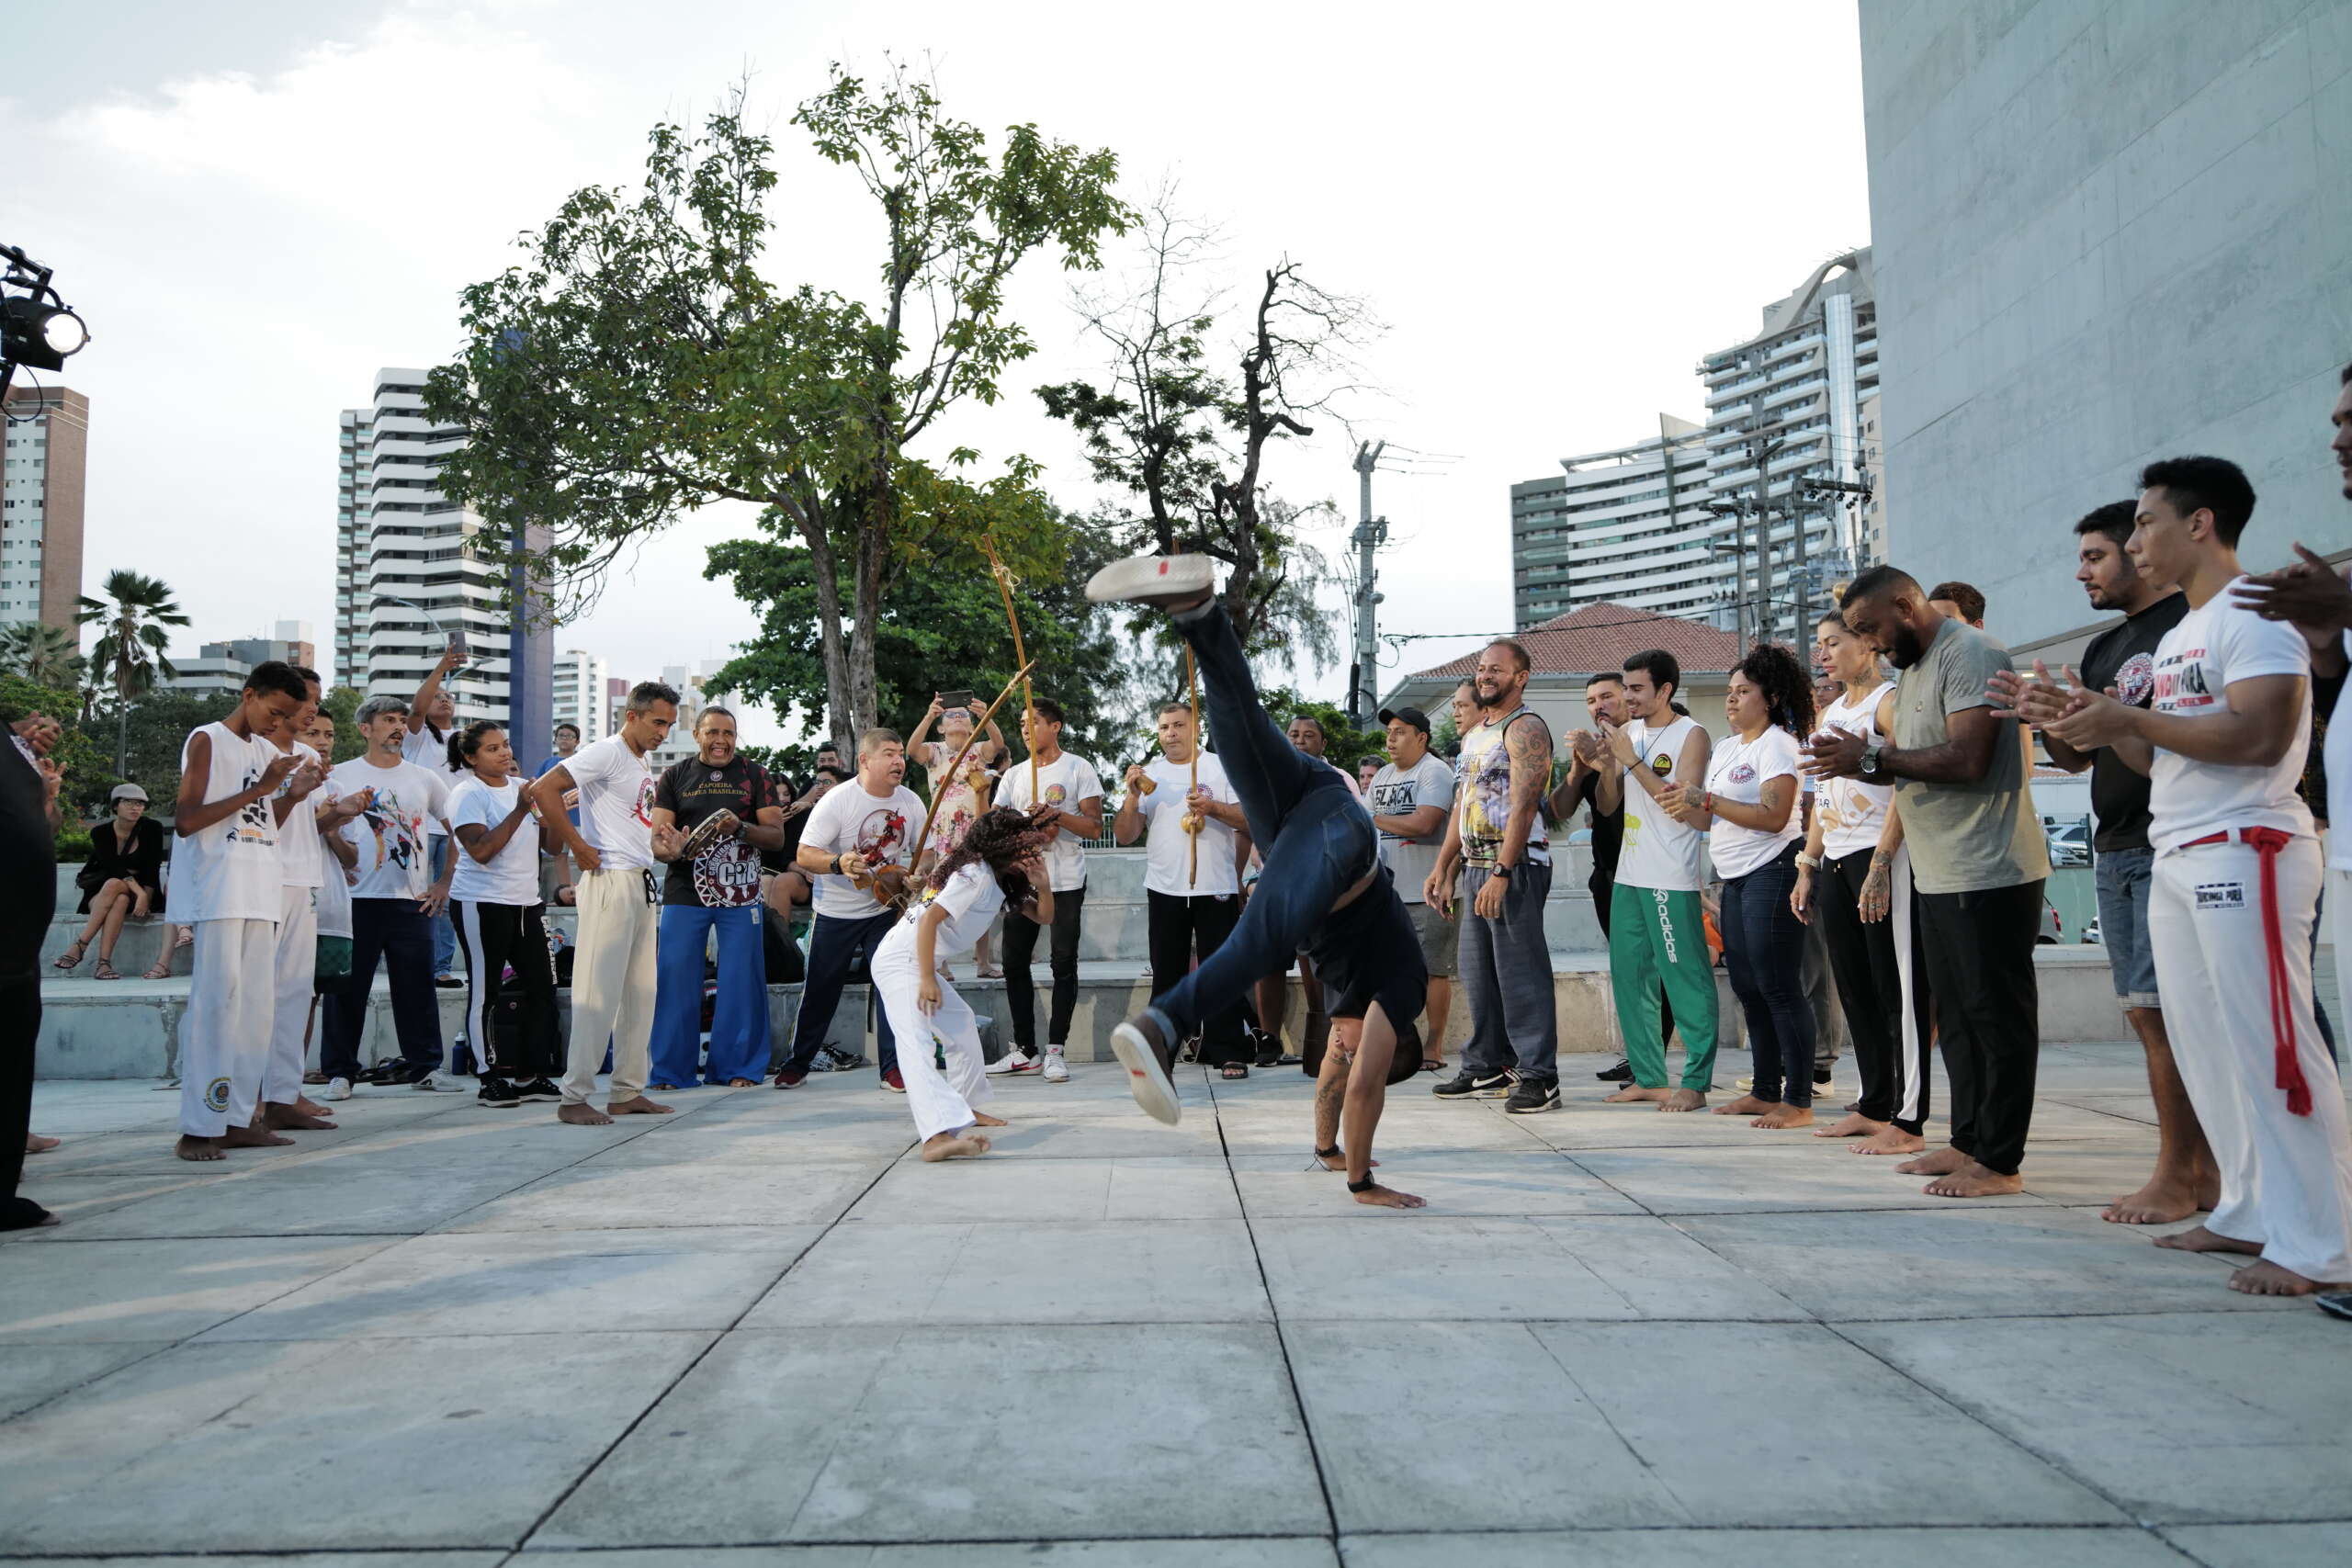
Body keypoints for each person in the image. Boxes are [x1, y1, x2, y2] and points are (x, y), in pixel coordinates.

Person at [2027, 456, 2350, 1297]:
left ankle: (2322, 1241)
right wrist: (2087, 723)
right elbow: (2146, 746)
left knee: (2276, 1047)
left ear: (2199, 523)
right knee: (2209, 1048)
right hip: (2176, 849)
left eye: (2144, 523)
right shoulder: (2178, 636)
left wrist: (2128, 716)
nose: (2134, 541)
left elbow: (2258, 736)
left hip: (2250, 845)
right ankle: (2245, 1206)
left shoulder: (2255, 614)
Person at [1091, 554, 1425, 1208]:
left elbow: (1334, 1085)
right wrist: (1363, 1180)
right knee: (1263, 939)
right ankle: (1164, 1023)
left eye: (1346, 1048)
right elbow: (1362, 1088)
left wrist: (1328, 1151)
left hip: (1303, 810)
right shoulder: (1401, 989)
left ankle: (1198, 613)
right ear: (1392, 1039)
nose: (1343, 1049)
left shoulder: (1352, 1021)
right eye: (1358, 1048)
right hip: (1342, 839)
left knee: (1238, 727)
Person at [1993, 501, 2211, 1222]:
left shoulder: (2189, 625)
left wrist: (2097, 714)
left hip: (2178, 840)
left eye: (2096, 555)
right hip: (2117, 845)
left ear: (2139, 550)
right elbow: (2078, 753)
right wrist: (2049, 714)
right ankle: (2189, 1169)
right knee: (2149, 1018)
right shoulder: (2104, 647)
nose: (2081, 570)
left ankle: (2191, 1171)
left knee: (2192, 1019)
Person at [1810, 567, 2051, 1198]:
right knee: (1962, 1022)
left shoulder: (1972, 653)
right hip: (1940, 869)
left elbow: (1967, 758)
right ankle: (1968, 1141)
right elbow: (1910, 765)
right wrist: (1861, 760)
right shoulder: (1916, 668)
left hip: (1989, 866)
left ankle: (2001, 1161)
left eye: (1870, 628)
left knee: (1996, 1020)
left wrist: (1869, 758)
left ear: (1906, 605)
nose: (1869, 642)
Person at [1792, 610, 1933, 1155]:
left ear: (1868, 647)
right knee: (1853, 987)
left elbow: (1905, 780)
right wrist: (1808, 864)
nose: (1823, 654)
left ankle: (1908, 1114)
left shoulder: (1889, 702)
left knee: (1895, 989)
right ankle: (1874, 1103)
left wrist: (1882, 860)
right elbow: (1820, 799)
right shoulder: (1828, 712)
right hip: (1835, 859)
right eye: (1819, 644)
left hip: (1882, 860)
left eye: (1834, 643)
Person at [1672, 645, 1814, 1128]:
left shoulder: (1778, 744)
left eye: (1743, 692)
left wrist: (1706, 799)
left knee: (1778, 986)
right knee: (1749, 987)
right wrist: (1680, 800)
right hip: (1732, 876)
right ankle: (1764, 1090)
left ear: (1770, 697)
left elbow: (1775, 818)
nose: (1731, 701)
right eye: (1729, 692)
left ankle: (1797, 1100)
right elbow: (1706, 814)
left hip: (1773, 870)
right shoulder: (1729, 748)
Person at [171, 662, 308, 1161]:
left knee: (256, 1010)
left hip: (259, 887)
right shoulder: (207, 739)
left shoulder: (266, 750)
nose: (278, 727)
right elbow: (187, 819)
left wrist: (293, 794)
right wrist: (263, 784)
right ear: (249, 694)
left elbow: (262, 818)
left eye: (287, 719)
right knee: (216, 1008)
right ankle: (198, 1126)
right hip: (219, 890)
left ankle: (236, 1117)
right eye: (274, 714)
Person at [530, 681, 681, 1124]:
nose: (663, 733)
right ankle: (574, 1096)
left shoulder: (641, 758)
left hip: (638, 880)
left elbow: (632, 823)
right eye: (657, 722)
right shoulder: (607, 751)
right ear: (631, 715)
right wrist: (577, 844)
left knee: (640, 994)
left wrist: (664, 848)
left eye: (670, 725)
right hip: (607, 881)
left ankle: (626, 1090)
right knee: (597, 993)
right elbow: (542, 790)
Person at [1425, 640, 1559, 1113]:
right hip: (1475, 866)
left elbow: (1524, 803)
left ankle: (1540, 1077)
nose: (1485, 676)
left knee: (1520, 975)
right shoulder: (1474, 735)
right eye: (1481, 669)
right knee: (1479, 975)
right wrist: (1443, 866)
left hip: (1515, 867)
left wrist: (1503, 870)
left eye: (1496, 670)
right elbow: (1464, 804)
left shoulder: (1525, 728)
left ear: (1520, 676)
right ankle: (1487, 1066)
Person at [877, 807, 1053, 1160]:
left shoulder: (1001, 879)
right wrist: (929, 977)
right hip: (902, 962)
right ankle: (935, 1137)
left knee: (961, 1027)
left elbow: (1044, 916)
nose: (1029, 851)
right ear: (1001, 846)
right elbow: (928, 922)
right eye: (1022, 844)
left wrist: (1044, 886)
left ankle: (966, 1108)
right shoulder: (974, 875)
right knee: (916, 1043)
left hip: (917, 961)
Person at [1595, 649, 1718, 1111]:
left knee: (1685, 979)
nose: (1628, 697)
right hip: (1629, 873)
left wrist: (1630, 761)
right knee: (1631, 980)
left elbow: (1683, 807)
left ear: (1665, 690)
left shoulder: (1693, 735)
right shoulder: (1627, 734)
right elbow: (1608, 805)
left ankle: (1696, 1081)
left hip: (1670, 877)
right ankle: (1648, 1076)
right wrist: (1605, 764)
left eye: (1637, 689)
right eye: (1625, 688)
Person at [775, 728, 928, 1091]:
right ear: (865, 760)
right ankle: (797, 1063)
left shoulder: (911, 802)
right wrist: (838, 862)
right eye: (889, 754)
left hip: (885, 910)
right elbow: (804, 854)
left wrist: (918, 874)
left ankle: (893, 1069)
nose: (898, 761)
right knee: (820, 989)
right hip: (835, 912)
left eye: (900, 754)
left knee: (893, 987)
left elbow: (928, 852)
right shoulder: (838, 800)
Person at [319, 696, 457, 1098]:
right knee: (346, 990)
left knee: (416, 989)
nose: (397, 726)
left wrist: (443, 882)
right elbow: (323, 828)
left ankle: (425, 1066)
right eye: (387, 720)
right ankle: (340, 1073)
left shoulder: (424, 778)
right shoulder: (340, 776)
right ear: (365, 729)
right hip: (354, 899)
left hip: (410, 901)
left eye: (401, 720)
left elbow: (455, 831)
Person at [649, 706, 785, 1089]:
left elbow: (776, 837)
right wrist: (670, 848)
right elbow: (660, 840)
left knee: (741, 981)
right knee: (675, 978)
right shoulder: (674, 776)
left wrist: (741, 828)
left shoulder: (756, 774)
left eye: (728, 732)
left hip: (740, 893)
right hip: (683, 891)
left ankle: (737, 1069)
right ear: (696, 735)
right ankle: (670, 1072)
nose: (720, 740)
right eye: (712, 732)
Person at [1549, 673, 1675, 1084]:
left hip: (1655, 871)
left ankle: (1652, 1060)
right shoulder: (1591, 750)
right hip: (1608, 875)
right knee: (1630, 971)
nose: (1598, 705)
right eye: (1590, 699)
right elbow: (1560, 811)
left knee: (1661, 971)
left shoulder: (1652, 741)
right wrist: (1576, 769)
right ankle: (1640, 1056)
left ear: (1629, 698)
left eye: (1607, 696)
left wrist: (1613, 764)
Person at [1115, 700, 1252, 1075]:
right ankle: (1163, 1049)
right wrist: (1130, 797)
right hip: (1165, 886)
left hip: (1215, 883)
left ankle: (1227, 1048)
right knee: (1166, 971)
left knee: (1220, 968)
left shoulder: (1219, 767)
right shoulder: (1149, 775)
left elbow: (1249, 820)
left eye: (1178, 725)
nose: (1171, 734)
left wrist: (1213, 809)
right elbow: (1125, 835)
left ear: (1196, 727)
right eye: (1163, 727)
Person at [446, 720, 564, 1109]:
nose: (505, 753)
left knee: (543, 989)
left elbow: (553, 847)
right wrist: (520, 810)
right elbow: (480, 851)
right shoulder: (467, 793)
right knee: (486, 992)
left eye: (506, 745)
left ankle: (530, 1075)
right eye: (493, 748)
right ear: (470, 757)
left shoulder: (522, 789)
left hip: (526, 903)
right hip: (481, 903)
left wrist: (554, 810)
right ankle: (488, 1076)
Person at [994, 698, 1104, 1083]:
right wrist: (1028, 829)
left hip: (1066, 878)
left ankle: (1056, 1049)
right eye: (1022, 723)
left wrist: (1056, 815)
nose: (1026, 729)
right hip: (1022, 879)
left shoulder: (1078, 767)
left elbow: (1093, 827)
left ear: (1055, 726)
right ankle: (1025, 1050)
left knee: (1063, 962)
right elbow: (996, 827)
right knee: (1013, 961)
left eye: (1034, 722)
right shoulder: (1015, 775)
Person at [256, 668, 343, 1132]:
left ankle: (283, 1095)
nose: (311, 708)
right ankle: (245, 1100)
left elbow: (314, 823)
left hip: (303, 879)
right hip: (262, 879)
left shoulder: (308, 754)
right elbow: (256, 817)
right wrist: (291, 794)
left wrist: (341, 813)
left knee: (296, 992)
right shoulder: (257, 750)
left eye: (314, 698)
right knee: (256, 995)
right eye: (306, 700)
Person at [1370, 705, 1457, 1072]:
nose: (1391, 738)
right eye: (1389, 732)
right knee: (1390, 971)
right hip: (1387, 894)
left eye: (1401, 731)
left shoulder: (1435, 772)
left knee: (1434, 970)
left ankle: (1434, 1046)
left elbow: (1425, 824)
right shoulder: (1383, 776)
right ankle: (1398, 1044)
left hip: (1430, 890)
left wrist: (1370, 817)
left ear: (1422, 737)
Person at [3, 712, 64, 1227]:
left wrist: (44, 796)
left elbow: (43, 824)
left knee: (14, 1053)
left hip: (19, 940)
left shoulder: (16, 753)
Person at [908, 693, 1007, 977]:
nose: (958, 717)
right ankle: (941, 961)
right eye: (951, 715)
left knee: (981, 894)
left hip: (974, 829)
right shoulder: (935, 750)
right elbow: (912, 750)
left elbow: (998, 745)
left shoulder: (978, 748)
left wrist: (986, 716)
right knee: (939, 892)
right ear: (941, 727)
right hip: (943, 832)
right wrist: (929, 715)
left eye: (964, 714)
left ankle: (983, 961)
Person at [403, 641, 467, 988]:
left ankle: (441, 967)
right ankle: (413, 962)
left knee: (445, 900)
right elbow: (416, 707)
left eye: (449, 696)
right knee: (416, 897)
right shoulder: (415, 738)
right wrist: (442, 666)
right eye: (437, 695)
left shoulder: (464, 739)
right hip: (420, 828)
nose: (444, 699)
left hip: (456, 830)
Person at [56, 784, 166, 979]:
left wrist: (144, 897)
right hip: (103, 892)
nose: (136, 807)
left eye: (140, 803)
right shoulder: (101, 832)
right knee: (118, 893)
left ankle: (80, 945)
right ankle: (103, 964)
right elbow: (113, 867)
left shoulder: (152, 829)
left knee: (115, 885)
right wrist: (138, 893)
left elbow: (152, 868)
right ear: (116, 806)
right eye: (129, 802)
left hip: (141, 892)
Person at [301, 708, 358, 1085]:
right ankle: (272, 1089)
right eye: (314, 733)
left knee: (312, 998)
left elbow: (352, 858)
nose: (323, 741)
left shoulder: (333, 787)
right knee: (289, 998)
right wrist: (327, 818)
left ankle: (288, 1087)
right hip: (295, 900)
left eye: (330, 734)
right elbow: (288, 836)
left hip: (332, 904)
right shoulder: (286, 781)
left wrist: (335, 825)